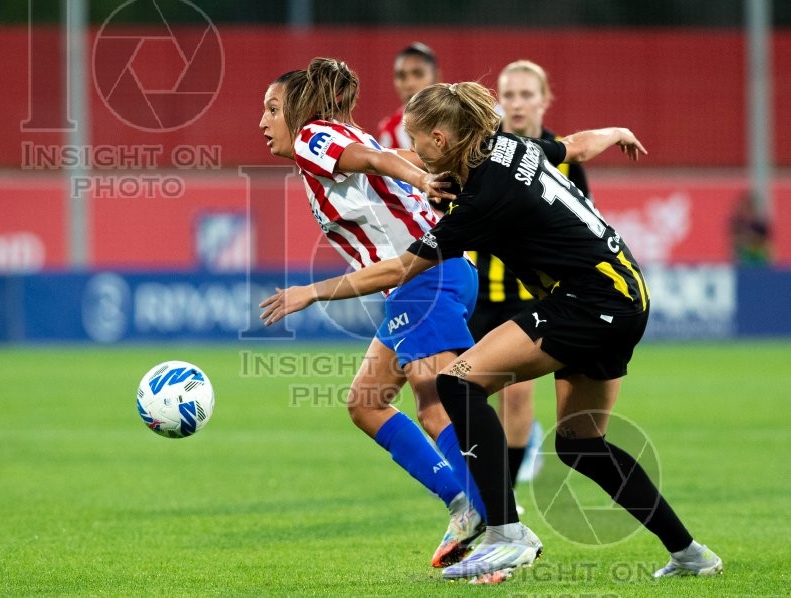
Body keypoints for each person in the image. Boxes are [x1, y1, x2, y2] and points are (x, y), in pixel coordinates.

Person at [261, 81, 723, 583]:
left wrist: (312, 292)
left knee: (458, 383)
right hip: (628, 294)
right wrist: (615, 131)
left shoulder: (482, 200)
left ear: (440, 139)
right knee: (580, 444)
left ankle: (506, 533)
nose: (412, 154)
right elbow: (572, 146)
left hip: (590, 302)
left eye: (416, 142)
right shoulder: (513, 147)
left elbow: (399, 270)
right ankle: (690, 554)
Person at [258, 58, 486, 568]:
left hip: (424, 278)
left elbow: (378, 160)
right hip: (429, 279)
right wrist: (420, 170)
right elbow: (389, 156)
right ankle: (463, 502)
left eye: (272, 109)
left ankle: (498, 527)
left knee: (439, 407)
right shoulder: (342, 132)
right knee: (366, 402)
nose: (264, 122)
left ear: (297, 111)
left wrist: (418, 178)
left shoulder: (311, 137)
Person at [470, 60, 592, 490]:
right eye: (509, 96)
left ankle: (503, 499)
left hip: (535, 294)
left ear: (544, 100)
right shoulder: (484, 151)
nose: (517, 105)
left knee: (516, 391)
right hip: (480, 291)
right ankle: (489, 490)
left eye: (526, 95)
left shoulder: (566, 158)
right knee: (457, 392)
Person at [376, 43, 439, 151]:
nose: (409, 84)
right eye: (401, 76)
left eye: (418, 74)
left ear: (437, 77)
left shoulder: (458, 119)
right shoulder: (389, 130)